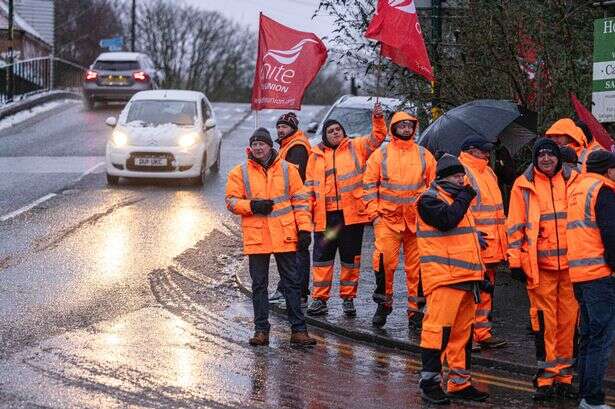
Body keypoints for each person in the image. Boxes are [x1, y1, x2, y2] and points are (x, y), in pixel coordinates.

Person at [225, 127, 316, 346]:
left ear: (269, 146)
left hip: (285, 234)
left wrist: (304, 229)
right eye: (255, 144)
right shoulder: (240, 172)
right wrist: (253, 206)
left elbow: (301, 201)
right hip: (258, 238)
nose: (258, 148)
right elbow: (231, 201)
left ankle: (299, 331)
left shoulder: (288, 170)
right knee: (259, 285)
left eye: (262, 144)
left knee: (292, 284)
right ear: (251, 147)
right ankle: (261, 331)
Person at [506, 138, 579, 401]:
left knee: (568, 324)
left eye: (550, 154)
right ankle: (546, 378)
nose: (546, 159)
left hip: (572, 267)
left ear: (558, 157)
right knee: (546, 324)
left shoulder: (574, 181)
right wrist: (514, 261)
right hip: (540, 269)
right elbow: (514, 227)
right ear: (535, 159)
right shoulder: (523, 186)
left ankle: (565, 377)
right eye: (541, 156)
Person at [416, 153, 489, 404]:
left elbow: (459, 235)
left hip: (466, 278)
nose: (462, 180)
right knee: (438, 333)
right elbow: (447, 221)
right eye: (458, 176)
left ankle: (459, 382)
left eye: (462, 175)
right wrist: (467, 196)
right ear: (444, 177)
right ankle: (429, 383)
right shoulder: (428, 199)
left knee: (462, 335)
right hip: (443, 279)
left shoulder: (456, 200)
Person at [305, 102, 387, 317]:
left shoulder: (356, 146)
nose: (335, 133)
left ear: (343, 132)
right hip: (325, 217)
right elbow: (309, 188)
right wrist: (306, 216)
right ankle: (319, 299)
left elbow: (377, 137)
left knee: (351, 260)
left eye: (338, 130)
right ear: (324, 135)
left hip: (351, 217)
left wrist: (377, 118)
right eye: (331, 131)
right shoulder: (314, 156)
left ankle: (348, 299)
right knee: (322, 260)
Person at [363, 111, 436, 329]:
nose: (405, 128)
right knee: (385, 262)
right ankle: (384, 304)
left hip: (417, 221)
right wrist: (374, 215)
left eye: (409, 125)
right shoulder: (381, 154)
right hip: (387, 218)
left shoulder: (424, 155)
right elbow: (368, 186)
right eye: (401, 125)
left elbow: (434, 188)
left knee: (418, 268)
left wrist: (430, 215)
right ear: (394, 128)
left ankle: (415, 311)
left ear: (414, 128)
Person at [567, 150, 615, 409]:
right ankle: (593, 398)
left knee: (587, 337)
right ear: (608, 170)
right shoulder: (604, 190)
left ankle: (585, 395)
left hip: (579, 274)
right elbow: (611, 233)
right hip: (600, 274)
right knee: (601, 338)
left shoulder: (577, 189)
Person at [458, 137, 508, 351]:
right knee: (471, 293)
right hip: (476, 242)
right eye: (483, 151)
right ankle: (468, 336)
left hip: (492, 244)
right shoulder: (463, 173)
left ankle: (482, 333)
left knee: (486, 291)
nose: (487, 154)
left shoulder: (488, 171)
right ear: (471, 151)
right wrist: (471, 235)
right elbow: (461, 210)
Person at [268, 112, 312, 308]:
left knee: (297, 252)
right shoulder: (287, 145)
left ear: (293, 128)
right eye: (279, 126)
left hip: (295, 207)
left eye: (285, 126)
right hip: (292, 207)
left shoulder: (297, 147)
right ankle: (287, 289)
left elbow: (293, 179)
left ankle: (298, 294)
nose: (280, 129)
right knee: (292, 251)